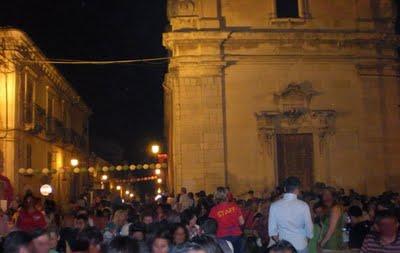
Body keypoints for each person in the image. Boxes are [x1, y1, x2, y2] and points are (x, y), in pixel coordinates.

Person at [268, 177, 313, 253]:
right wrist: (305, 241)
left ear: (285, 189)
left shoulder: (274, 205)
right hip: (300, 245)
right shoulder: (304, 205)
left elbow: (272, 231)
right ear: (297, 190)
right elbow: (309, 228)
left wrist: (281, 243)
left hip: (283, 248)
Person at [209, 187, 244, 253]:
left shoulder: (214, 210)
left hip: (222, 238)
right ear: (227, 195)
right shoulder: (235, 206)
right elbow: (242, 222)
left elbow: (211, 226)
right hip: (236, 236)